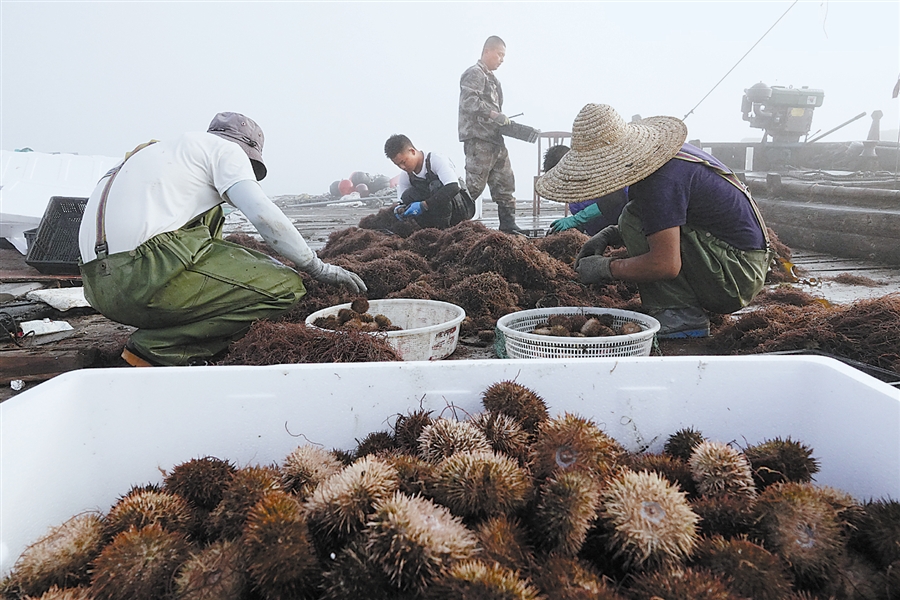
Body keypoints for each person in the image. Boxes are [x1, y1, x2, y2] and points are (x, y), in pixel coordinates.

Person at [78, 112, 366, 367]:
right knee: (287, 286)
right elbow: (263, 214)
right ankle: (161, 348)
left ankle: (163, 334)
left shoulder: (160, 154)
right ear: (245, 150)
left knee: (214, 213)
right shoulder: (225, 151)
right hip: (144, 275)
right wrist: (317, 267)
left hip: (97, 287)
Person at [535, 104, 773, 339]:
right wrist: (609, 234)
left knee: (631, 218)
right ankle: (683, 306)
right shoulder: (666, 159)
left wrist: (605, 267)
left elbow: (665, 264)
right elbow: (671, 219)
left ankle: (682, 316)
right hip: (736, 260)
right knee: (631, 217)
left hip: (737, 277)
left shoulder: (660, 180)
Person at [458, 35, 523, 234]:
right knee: (474, 185)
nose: (501, 59)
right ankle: (457, 222)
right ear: (487, 51)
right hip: (479, 140)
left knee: (505, 182)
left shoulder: (492, 79)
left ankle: (508, 224)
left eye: (504, 56)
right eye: (499, 54)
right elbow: (468, 101)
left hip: (495, 139)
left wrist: (502, 121)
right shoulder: (474, 74)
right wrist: (493, 113)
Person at [384, 134, 475, 229]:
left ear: (412, 151)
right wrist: (400, 209)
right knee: (408, 195)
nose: (402, 167)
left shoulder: (436, 160)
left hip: (460, 209)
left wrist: (424, 205)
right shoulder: (406, 175)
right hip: (435, 212)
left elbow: (453, 187)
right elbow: (402, 200)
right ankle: (430, 227)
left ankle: (444, 228)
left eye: (403, 162)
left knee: (436, 186)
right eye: (398, 165)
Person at [542, 144, 628, 236]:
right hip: (598, 236)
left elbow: (615, 198)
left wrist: (578, 219)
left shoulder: (599, 170)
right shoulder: (573, 192)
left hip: (625, 227)